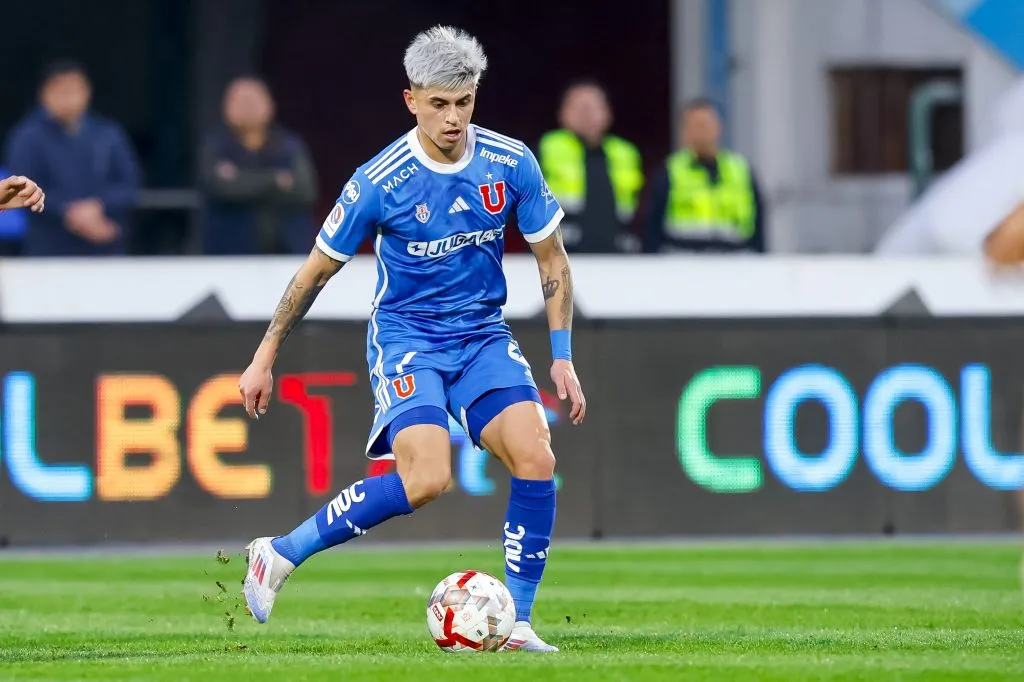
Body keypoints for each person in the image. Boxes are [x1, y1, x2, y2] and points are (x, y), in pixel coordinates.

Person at [237, 26, 585, 653]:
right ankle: (280, 554)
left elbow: (553, 258)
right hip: (409, 340)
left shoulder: (511, 163)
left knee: (537, 458)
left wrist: (562, 358)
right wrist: (264, 357)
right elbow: (313, 273)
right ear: (411, 100)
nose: (453, 118)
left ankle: (518, 624)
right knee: (426, 479)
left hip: (481, 335)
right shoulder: (379, 182)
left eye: (464, 102)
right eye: (439, 103)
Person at [3, 61, 140, 257]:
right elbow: (20, 189)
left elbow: (130, 184)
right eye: (60, 90)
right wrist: (70, 213)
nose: (68, 97)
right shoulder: (27, 137)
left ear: (87, 91)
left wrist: (98, 206)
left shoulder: (108, 134)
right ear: (44, 93)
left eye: (74, 89)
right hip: (48, 251)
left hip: (104, 246)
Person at [199, 76, 318, 255]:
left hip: (289, 254)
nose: (247, 107)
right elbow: (220, 188)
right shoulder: (215, 146)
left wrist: (242, 180)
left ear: (270, 105)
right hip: (226, 256)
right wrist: (275, 180)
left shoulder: (289, 146)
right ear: (225, 107)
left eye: (253, 100)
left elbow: (306, 191)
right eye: (240, 101)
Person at [644, 98, 766, 253]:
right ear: (685, 131)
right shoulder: (670, 171)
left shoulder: (741, 170)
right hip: (683, 261)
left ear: (719, 127)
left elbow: (759, 224)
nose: (702, 131)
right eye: (696, 125)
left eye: (706, 124)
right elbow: (653, 227)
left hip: (735, 260)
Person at [538, 79, 644, 253]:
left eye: (592, 107)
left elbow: (645, 213)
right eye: (578, 107)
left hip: (620, 255)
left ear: (608, 114)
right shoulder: (545, 148)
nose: (585, 114)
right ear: (562, 114)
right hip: (561, 254)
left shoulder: (627, 153)